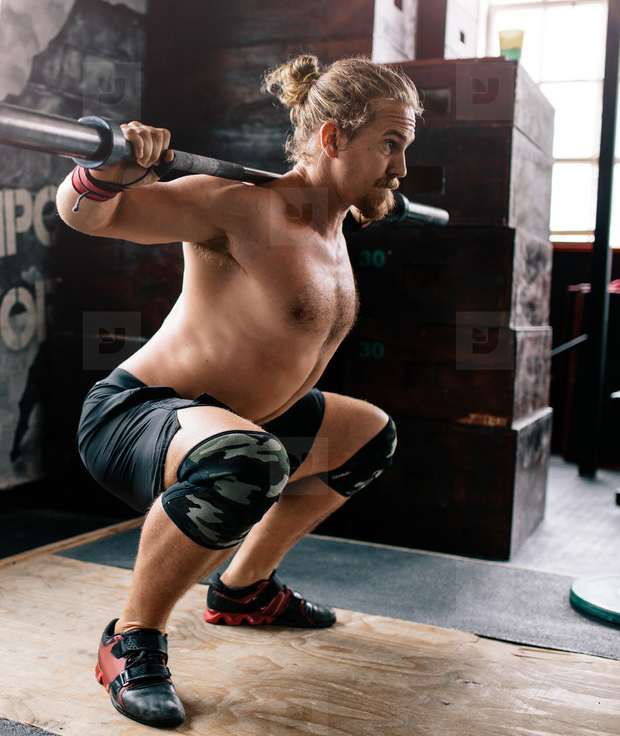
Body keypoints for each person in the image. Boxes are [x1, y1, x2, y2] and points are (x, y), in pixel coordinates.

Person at [55, 53, 423, 728]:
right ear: (333, 138)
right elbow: (87, 217)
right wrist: (106, 172)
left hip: (236, 422)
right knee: (251, 460)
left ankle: (243, 590)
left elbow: (376, 195)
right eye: (390, 144)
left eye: (406, 147)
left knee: (369, 436)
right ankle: (130, 638)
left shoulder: (333, 224)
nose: (401, 167)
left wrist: (370, 189)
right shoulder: (237, 207)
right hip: (135, 415)